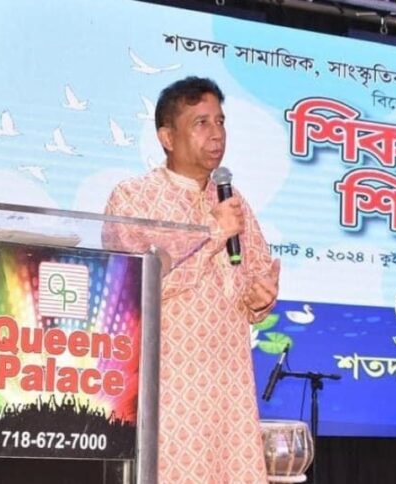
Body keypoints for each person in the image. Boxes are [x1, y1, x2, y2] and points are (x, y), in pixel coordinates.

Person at [103, 76, 280, 483]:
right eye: (201, 123)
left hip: (228, 390)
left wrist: (260, 297)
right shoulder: (133, 198)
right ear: (167, 137)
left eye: (220, 121)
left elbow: (253, 276)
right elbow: (137, 291)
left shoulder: (232, 200)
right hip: (168, 388)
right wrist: (213, 232)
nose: (216, 134)